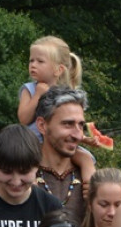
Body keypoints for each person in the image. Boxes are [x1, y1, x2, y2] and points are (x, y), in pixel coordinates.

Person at [18, 37, 97, 189]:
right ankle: (33, 189)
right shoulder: (29, 89)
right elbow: (23, 119)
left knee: (85, 158)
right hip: (32, 143)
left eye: (40, 61)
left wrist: (85, 139)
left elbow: (69, 129)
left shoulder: (68, 94)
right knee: (24, 161)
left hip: (57, 142)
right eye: (31, 60)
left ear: (58, 70)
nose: (33, 65)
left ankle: (90, 186)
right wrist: (37, 96)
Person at [35, 86, 95, 226]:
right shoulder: (21, 176)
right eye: (68, 124)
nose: (78, 135)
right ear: (42, 125)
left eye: (81, 125)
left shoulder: (91, 179)